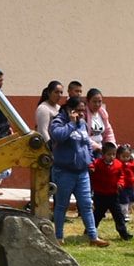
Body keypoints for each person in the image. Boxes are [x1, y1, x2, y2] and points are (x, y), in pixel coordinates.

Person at [48, 96, 109, 247]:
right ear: (70, 109)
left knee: (87, 204)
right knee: (62, 205)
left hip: (82, 172)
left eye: (83, 111)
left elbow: (86, 141)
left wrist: (89, 160)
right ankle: (59, 237)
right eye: (79, 111)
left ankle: (93, 237)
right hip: (64, 172)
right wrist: (71, 123)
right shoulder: (58, 122)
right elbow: (58, 136)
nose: (82, 114)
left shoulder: (82, 124)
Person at [90, 141, 132, 242]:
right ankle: (89, 230)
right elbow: (92, 165)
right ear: (103, 155)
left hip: (113, 195)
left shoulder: (118, 164)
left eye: (113, 154)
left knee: (118, 215)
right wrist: (91, 169)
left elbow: (121, 176)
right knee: (97, 214)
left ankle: (124, 233)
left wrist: (120, 183)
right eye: (109, 154)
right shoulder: (98, 163)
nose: (111, 157)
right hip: (100, 194)